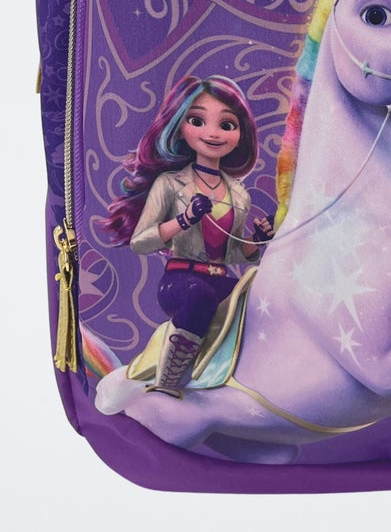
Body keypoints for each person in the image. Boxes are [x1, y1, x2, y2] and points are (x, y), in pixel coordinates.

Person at [103, 75, 273, 397]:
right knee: (199, 297)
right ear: (180, 126)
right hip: (180, 281)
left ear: (241, 134)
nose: (212, 133)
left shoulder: (238, 193)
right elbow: (140, 241)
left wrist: (257, 239)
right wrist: (184, 220)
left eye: (227, 125)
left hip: (220, 278)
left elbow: (232, 252)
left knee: (263, 302)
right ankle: (168, 380)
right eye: (197, 121)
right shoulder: (170, 183)